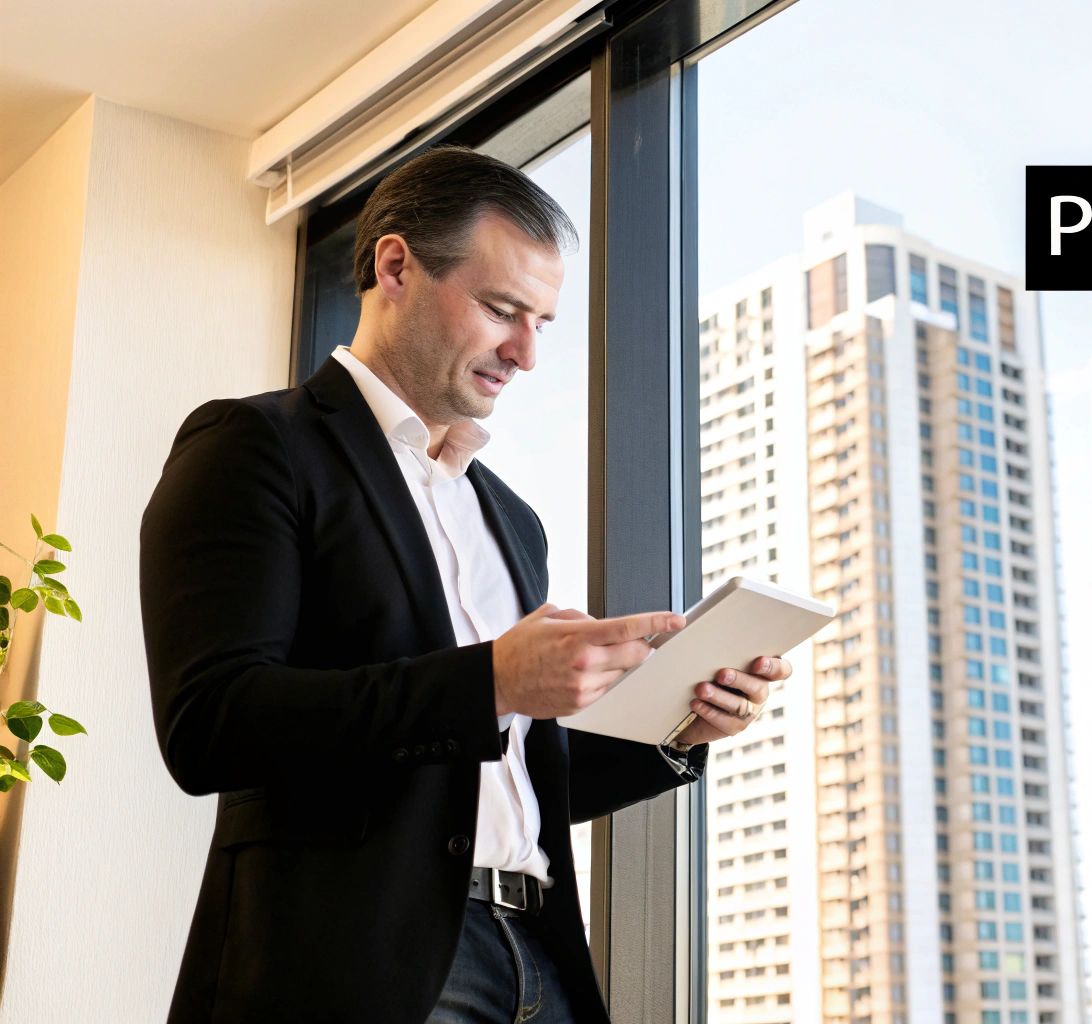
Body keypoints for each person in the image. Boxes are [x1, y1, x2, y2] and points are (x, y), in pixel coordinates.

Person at [140, 145, 790, 1024]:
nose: (524, 353)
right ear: (396, 266)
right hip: (361, 968)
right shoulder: (257, 447)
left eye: (542, 324)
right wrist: (491, 680)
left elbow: (514, 772)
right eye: (501, 309)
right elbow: (210, 723)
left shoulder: (511, 519)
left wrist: (678, 727)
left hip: (539, 960)